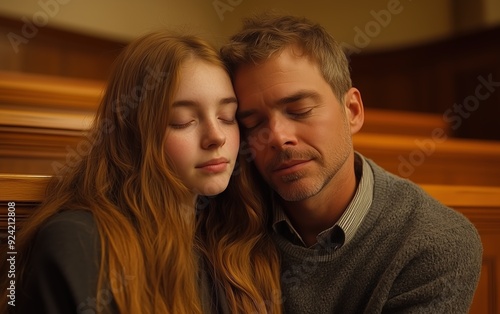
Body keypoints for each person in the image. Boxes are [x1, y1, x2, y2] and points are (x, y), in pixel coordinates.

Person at [0, 31, 281, 314]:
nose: (216, 136)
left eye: (227, 117)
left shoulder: (237, 238)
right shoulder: (78, 243)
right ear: (134, 134)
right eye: (182, 121)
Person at [220, 13, 483, 313]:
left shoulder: (436, 241)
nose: (277, 137)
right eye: (253, 123)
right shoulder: (225, 220)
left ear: (353, 111)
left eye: (300, 110)